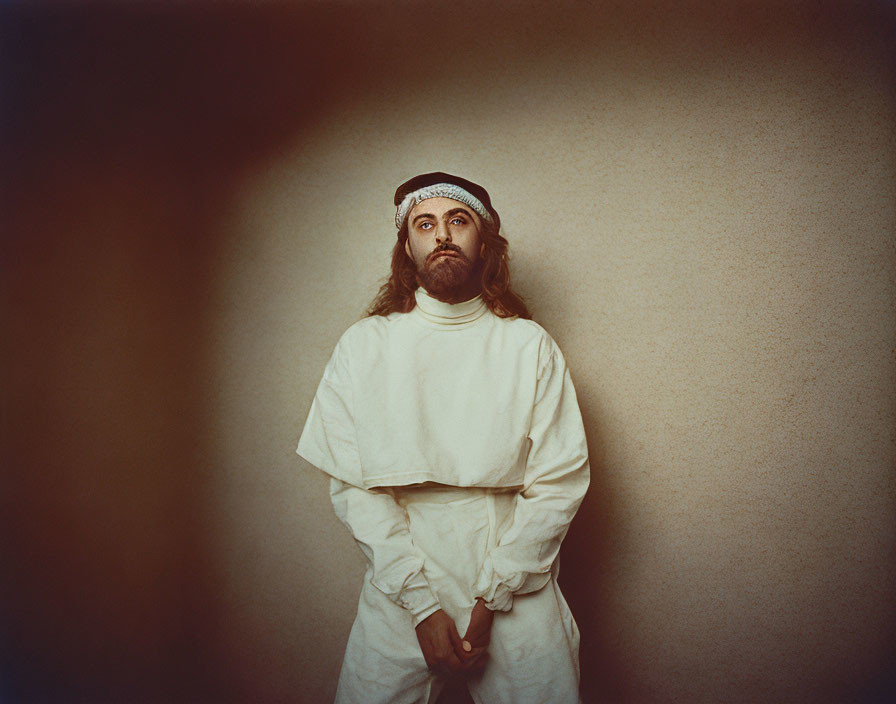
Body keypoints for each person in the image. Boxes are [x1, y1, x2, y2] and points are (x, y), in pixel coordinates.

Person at [297, 172, 590, 704]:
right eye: (425, 224)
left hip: (514, 568)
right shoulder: (364, 347)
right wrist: (422, 607)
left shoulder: (528, 346)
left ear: (485, 244)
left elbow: (558, 484)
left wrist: (493, 599)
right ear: (407, 247)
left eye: (459, 221)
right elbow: (355, 489)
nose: (443, 235)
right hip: (403, 571)